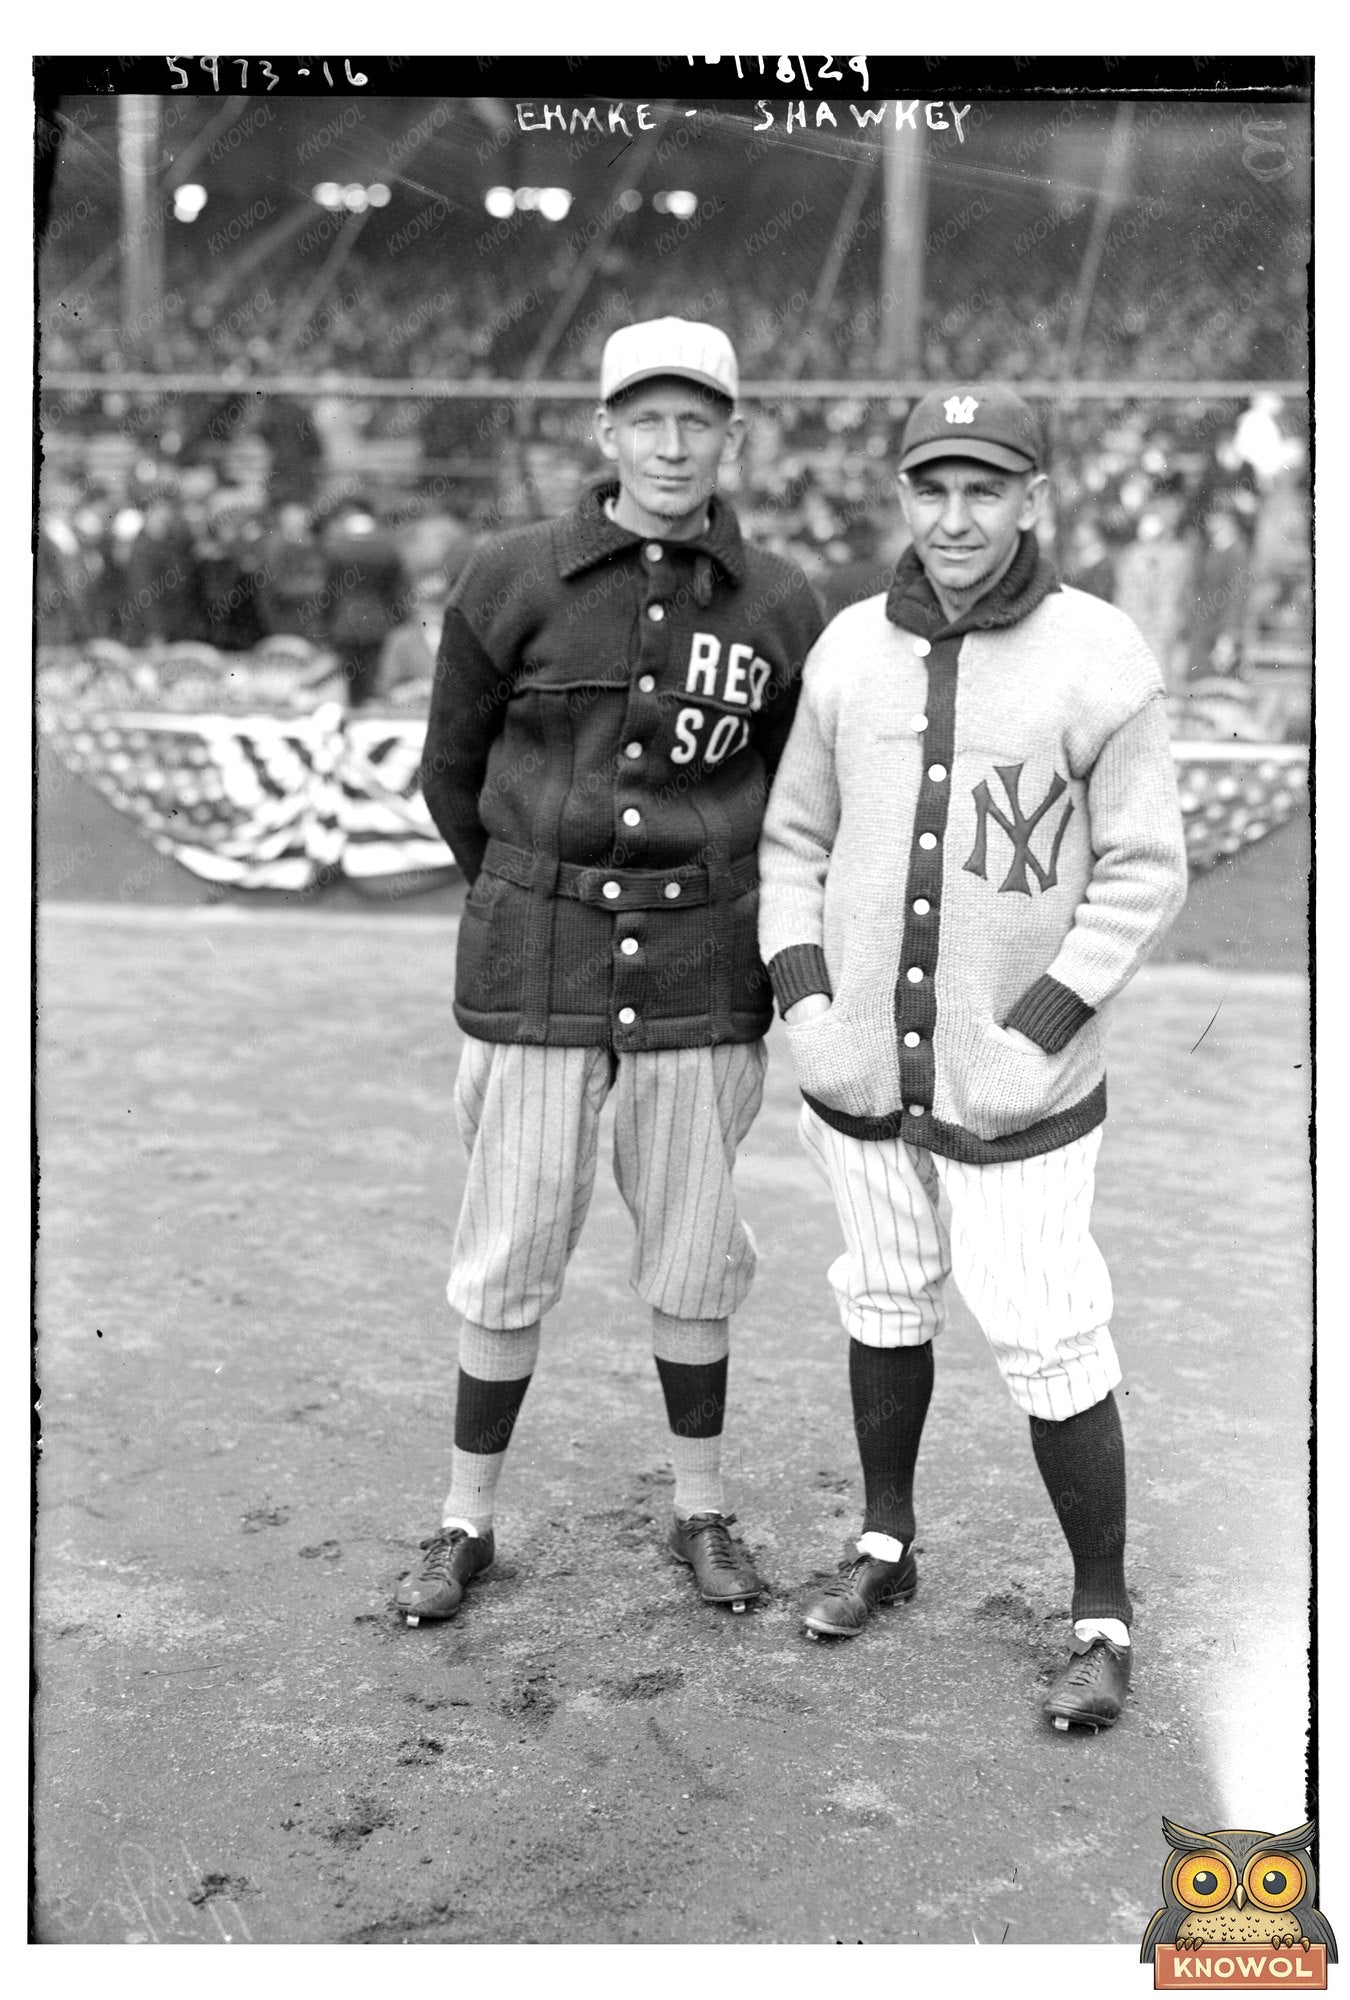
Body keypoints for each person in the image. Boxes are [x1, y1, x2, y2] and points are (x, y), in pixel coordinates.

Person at [757, 385, 1188, 1732]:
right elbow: (790, 848)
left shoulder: (1096, 652)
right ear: (903, 496)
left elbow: (1141, 872)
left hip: (1018, 1086)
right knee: (882, 1295)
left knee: (1048, 1335)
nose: (955, 519)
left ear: (1031, 500)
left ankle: (1099, 1610)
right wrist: (806, 1004)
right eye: (932, 490)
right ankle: (884, 1543)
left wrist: (1039, 1028)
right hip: (861, 1072)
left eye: (983, 491)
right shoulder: (843, 651)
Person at [405, 319, 823, 1626]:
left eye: (695, 419)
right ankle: (462, 1520)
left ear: (732, 437)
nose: (669, 442)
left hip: (700, 965)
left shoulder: (777, 600)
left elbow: (796, 793)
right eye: (645, 417)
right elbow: (449, 778)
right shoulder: (509, 574)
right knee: (510, 1247)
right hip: (537, 961)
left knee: (695, 1258)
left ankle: (699, 1509)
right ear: (604, 432)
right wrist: (540, 888)